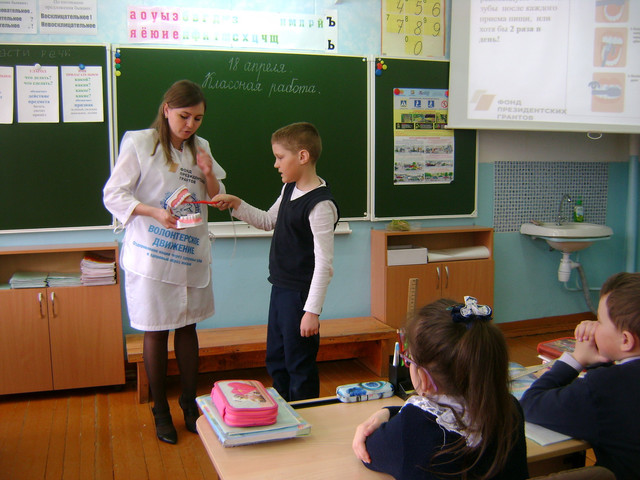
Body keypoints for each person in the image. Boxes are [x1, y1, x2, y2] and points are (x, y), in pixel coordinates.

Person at [103, 79, 226, 444]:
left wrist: (208, 173)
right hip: (152, 255)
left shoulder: (201, 147)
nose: (190, 125)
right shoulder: (140, 143)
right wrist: (153, 212)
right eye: (184, 116)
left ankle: (189, 404)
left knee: (188, 327)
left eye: (198, 118)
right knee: (155, 329)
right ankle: (160, 410)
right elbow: (113, 194)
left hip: (188, 252)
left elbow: (215, 195)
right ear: (167, 109)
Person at [213, 122, 339, 401]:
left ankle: (305, 415)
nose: (275, 164)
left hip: (301, 296)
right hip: (281, 289)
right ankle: (283, 411)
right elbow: (269, 220)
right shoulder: (289, 189)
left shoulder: (320, 205)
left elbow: (324, 264)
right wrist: (236, 204)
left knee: (299, 363)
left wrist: (312, 311)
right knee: (277, 358)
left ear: (302, 156)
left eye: (280, 157)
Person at [352, 297, 529, 480]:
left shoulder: (411, 427)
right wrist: (389, 412)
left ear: (424, 379)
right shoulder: (509, 408)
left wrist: (382, 414)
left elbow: (368, 450)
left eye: (409, 359)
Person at [520, 272, 640, 480]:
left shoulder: (604, 387)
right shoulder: (611, 382)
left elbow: (531, 403)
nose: (594, 327)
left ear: (626, 340)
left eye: (599, 321)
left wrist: (577, 359)